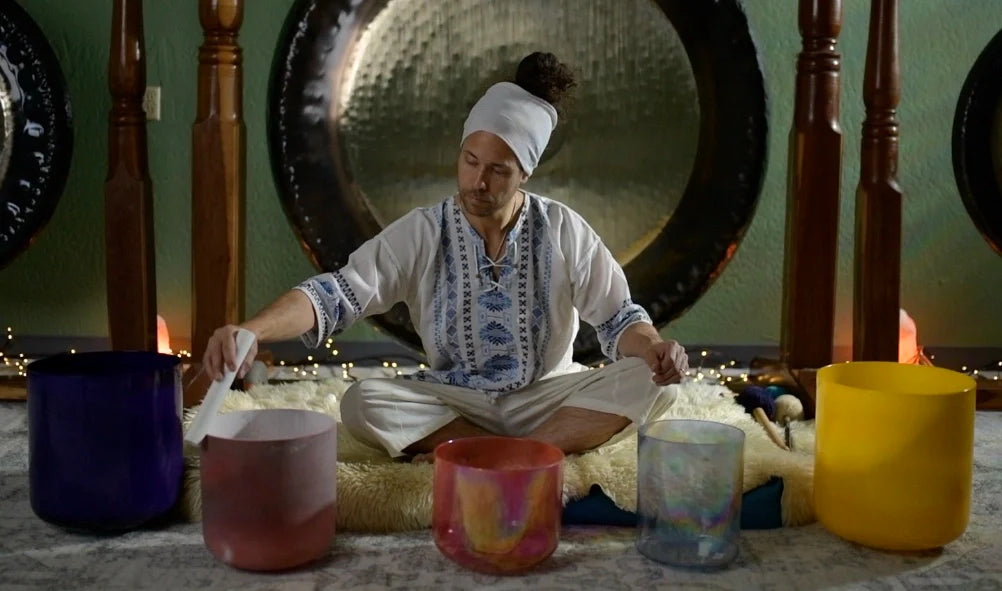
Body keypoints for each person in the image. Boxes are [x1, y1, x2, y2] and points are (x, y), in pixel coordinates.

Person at [203, 52, 689, 461]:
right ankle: (519, 456)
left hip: (546, 397)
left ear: (525, 173)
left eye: (498, 170)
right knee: (362, 402)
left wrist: (655, 350)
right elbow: (335, 295)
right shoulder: (422, 232)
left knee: (657, 383)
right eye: (470, 161)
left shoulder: (564, 229)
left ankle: (504, 455)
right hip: (456, 400)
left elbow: (621, 318)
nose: (478, 182)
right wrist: (252, 331)